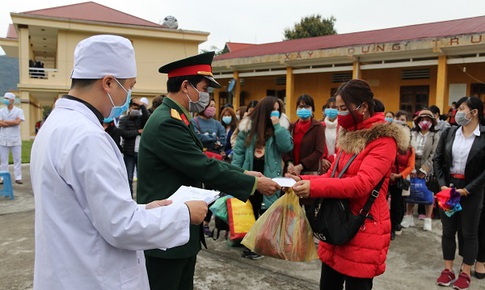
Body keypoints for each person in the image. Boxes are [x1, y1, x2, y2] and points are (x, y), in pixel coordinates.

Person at [30, 34, 208, 290]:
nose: (129, 95)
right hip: (93, 277)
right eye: (129, 86)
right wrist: (184, 213)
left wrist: (147, 210)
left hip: (67, 271)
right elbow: (120, 227)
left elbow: (91, 208)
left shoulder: (56, 126)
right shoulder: (87, 137)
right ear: (109, 82)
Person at [136, 51, 280, 290]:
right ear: (185, 86)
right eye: (204, 88)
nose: (206, 96)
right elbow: (203, 167)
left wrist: (245, 175)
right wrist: (253, 185)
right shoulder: (167, 122)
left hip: (178, 229)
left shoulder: (178, 118)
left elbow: (199, 160)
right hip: (166, 235)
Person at [289, 79, 409, 290]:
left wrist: (313, 188)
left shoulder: (383, 140)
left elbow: (361, 184)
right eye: (337, 108)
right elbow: (335, 175)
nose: (339, 113)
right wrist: (303, 181)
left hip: (362, 227)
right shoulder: (350, 134)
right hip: (336, 221)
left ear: (362, 107)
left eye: (344, 109)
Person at [232, 95, 293, 259]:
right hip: (250, 175)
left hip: (271, 177)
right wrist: (236, 175)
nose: (275, 112)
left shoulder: (278, 129)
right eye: (272, 109)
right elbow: (238, 153)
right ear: (264, 110)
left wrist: (277, 126)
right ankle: (250, 243)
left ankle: (259, 247)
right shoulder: (247, 129)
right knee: (250, 210)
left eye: (278, 110)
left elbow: (287, 146)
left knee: (266, 212)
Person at [433, 96, 485, 289]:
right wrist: (442, 184)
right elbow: (438, 159)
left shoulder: (484, 135)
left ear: (474, 112)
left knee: (469, 233)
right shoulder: (449, 133)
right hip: (449, 188)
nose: (457, 112)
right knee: (448, 231)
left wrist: (468, 189)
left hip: (472, 190)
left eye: (461, 108)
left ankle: (465, 272)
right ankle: (448, 270)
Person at [401, 109, 440, 231]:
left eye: (428, 120)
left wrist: (425, 170)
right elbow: (408, 151)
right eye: (422, 119)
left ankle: (427, 219)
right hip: (412, 165)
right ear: (418, 121)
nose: (425, 122)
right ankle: (408, 216)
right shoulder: (412, 133)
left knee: (427, 193)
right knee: (411, 190)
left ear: (432, 122)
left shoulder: (435, 135)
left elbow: (434, 154)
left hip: (427, 167)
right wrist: (411, 168)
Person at [388, 110, 415, 240]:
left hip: (399, 180)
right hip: (386, 179)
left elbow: (411, 166)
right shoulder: (389, 144)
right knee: (382, 204)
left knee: (397, 206)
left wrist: (399, 175)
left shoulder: (409, 149)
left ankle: (393, 227)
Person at [283, 94, 325, 175]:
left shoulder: (318, 127)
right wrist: (289, 162)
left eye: (306, 107)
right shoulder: (291, 126)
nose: (303, 109)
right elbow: (284, 148)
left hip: (309, 172)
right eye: (300, 106)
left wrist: (301, 166)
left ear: (312, 109)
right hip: (291, 172)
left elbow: (319, 151)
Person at [119, 98, 149, 195]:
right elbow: (123, 133)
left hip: (141, 152)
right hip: (129, 153)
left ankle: (141, 197)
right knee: (129, 177)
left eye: (137, 108)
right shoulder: (123, 120)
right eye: (134, 108)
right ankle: (129, 197)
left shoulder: (141, 119)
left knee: (142, 177)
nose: (136, 110)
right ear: (130, 108)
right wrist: (138, 132)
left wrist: (141, 105)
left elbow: (148, 116)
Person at [0, 92, 25, 184]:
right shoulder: (1, 111)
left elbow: (17, 122)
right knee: (3, 160)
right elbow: (0, 123)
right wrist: (12, 122)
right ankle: (3, 178)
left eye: (7, 98)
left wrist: (4, 122)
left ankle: (18, 177)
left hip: (15, 139)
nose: (5, 100)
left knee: (17, 159)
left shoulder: (19, 111)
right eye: (5, 98)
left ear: (12, 100)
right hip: (3, 139)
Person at [321, 97, 339, 173]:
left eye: (334, 107)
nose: (330, 109)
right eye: (328, 107)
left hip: (338, 164)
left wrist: (332, 158)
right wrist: (322, 159)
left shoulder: (344, 127)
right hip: (323, 166)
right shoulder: (320, 126)